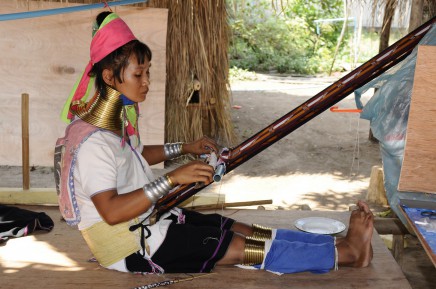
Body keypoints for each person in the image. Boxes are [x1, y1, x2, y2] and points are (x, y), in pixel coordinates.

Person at [55, 11, 374, 275]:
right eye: (139, 74)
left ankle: (332, 245)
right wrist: (171, 179)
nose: (147, 81)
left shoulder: (108, 127)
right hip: (131, 246)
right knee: (239, 249)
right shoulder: (94, 142)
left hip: (146, 224)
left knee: (234, 228)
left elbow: (133, 156)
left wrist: (184, 147)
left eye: (148, 72)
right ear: (110, 77)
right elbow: (110, 212)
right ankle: (347, 255)